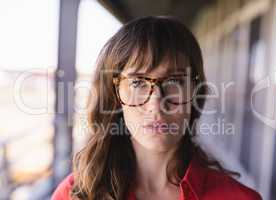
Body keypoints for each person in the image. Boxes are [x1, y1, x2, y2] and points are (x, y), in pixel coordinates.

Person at [51, 16, 262, 200]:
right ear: (115, 95)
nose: (156, 103)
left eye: (175, 81)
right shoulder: (75, 195)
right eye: (137, 83)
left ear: (195, 92)